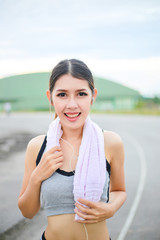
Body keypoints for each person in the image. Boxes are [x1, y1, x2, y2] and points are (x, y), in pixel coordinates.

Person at [18, 59, 126, 240]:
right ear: (49, 97)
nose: (72, 104)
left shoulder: (110, 142)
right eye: (62, 95)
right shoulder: (38, 147)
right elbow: (27, 212)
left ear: (93, 96)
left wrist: (111, 208)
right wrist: (37, 177)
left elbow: (119, 191)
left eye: (81, 94)